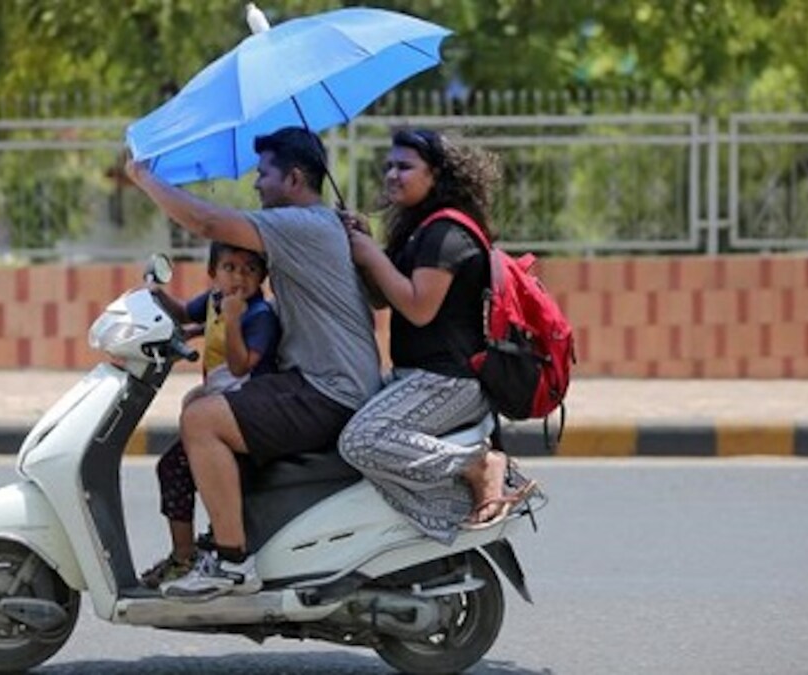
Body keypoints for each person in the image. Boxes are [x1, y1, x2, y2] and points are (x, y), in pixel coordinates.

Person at [125, 127, 381, 599]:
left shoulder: (301, 224)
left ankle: (231, 563)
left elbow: (208, 223)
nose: (256, 184)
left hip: (329, 390)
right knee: (200, 403)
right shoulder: (319, 226)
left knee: (203, 421)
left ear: (295, 178)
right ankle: (230, 539)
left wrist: (142, 177)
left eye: (264, 173)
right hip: (321, 383)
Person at [337, 128, 535, 545]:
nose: (392, 174)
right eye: (389, 165)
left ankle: (480, 467)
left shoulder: (447, 234)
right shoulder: (418, 229)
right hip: (415, 376)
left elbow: (417, 307)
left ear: (437, 175)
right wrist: (366, 246)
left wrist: (372, 255)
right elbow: (380, 299)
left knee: (362, 441)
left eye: (405, 166)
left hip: (448, 379)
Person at [139, 242, 279, 589]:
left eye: (250, 269)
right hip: (220, 404)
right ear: (213, 273)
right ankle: (191, 551)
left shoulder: (259, 315)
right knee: (188, 416)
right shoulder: (214, 300)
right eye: (229, 267)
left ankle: (185, 559)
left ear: (263, 276)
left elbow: (239, 364)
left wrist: (232, 320)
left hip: (244, 414)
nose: (239, 277)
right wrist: (156, 293)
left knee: (174, 467)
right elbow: (186, 311)